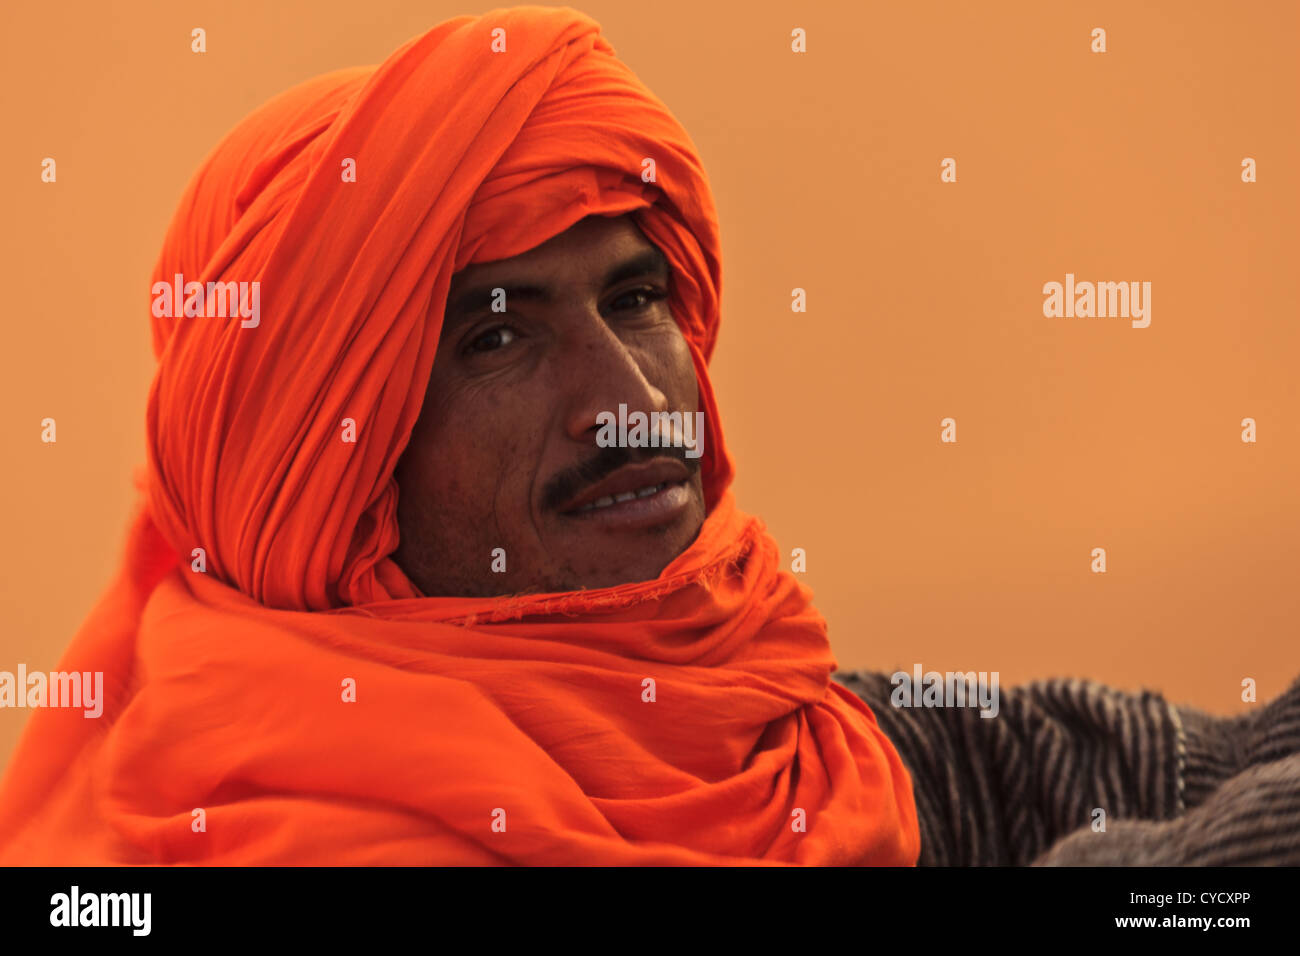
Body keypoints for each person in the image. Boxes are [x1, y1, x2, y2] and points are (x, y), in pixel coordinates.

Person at [1, 6, 1295, 866]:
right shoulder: (263, 832)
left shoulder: (789, 736)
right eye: (496, 335)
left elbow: (1182, 770)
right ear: (328, 469)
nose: (627, 392)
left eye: (637, 298)